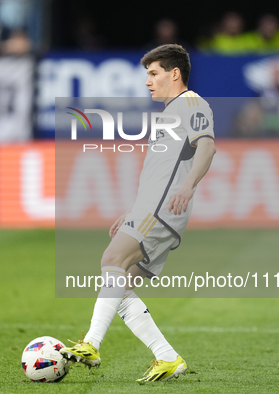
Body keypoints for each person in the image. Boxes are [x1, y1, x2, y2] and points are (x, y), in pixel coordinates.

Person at [60, 44, 217, 383]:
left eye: (153, 73)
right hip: (151, 208)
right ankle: (167, 358)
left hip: (163, 209)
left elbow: (207, 145)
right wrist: (131, 210)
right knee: (120, 287)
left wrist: (189, 185)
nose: (147, 81)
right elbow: (159, 174)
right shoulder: (168, 114)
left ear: (174, 74)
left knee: (111, 258)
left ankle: (91, 343)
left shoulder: (191, 104)